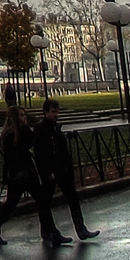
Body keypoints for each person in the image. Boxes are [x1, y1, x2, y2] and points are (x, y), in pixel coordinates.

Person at [0, 103, 70, 247]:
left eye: (24, 115)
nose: (24, 118)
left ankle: (51, 232)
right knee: (13, 204)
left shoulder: (20, 131)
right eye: (21, 115)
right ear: (14, 118)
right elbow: (21, 149)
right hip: (19, 174)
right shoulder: (11, 134)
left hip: (25, 173)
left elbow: (33, 141)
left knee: (39, 201)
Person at [33, 99, 99, 240]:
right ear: (45, 112)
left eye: (57, 111)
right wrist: (46, 171)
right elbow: (39, 153)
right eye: (53, 112)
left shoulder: (56, 127)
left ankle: (81, 229)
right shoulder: (40, 129)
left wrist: (70, 167)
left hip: (62, 169)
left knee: (72, 198)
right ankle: (48, 231)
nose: (56, 114)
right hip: (50, 170)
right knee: (46, 202)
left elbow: (63, 150)